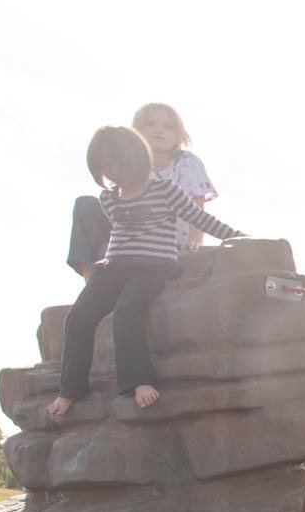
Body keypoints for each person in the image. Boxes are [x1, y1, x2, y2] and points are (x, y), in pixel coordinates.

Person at [46, 126, 244, 417]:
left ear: (135, 157)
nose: (113, 172)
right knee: (78, 318)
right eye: (105, 167)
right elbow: (120, 233)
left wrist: (240, 238)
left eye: (117, 164)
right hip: (114, 267)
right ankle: (70, 390)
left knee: (127, 311)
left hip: (152, 267)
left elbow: (199, 218)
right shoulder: (109, 198)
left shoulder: (164, 190)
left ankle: (139, 381)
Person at [65, 102, 219, 278]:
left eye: (167, 126)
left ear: (178, 134)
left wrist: (194, 242)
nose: (158, 130)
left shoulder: (186, 162)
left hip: (166, 243)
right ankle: (90, 278)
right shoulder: (129, 164)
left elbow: (196, 204)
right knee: (85, 204)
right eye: (150, 124)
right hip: (129, 237)